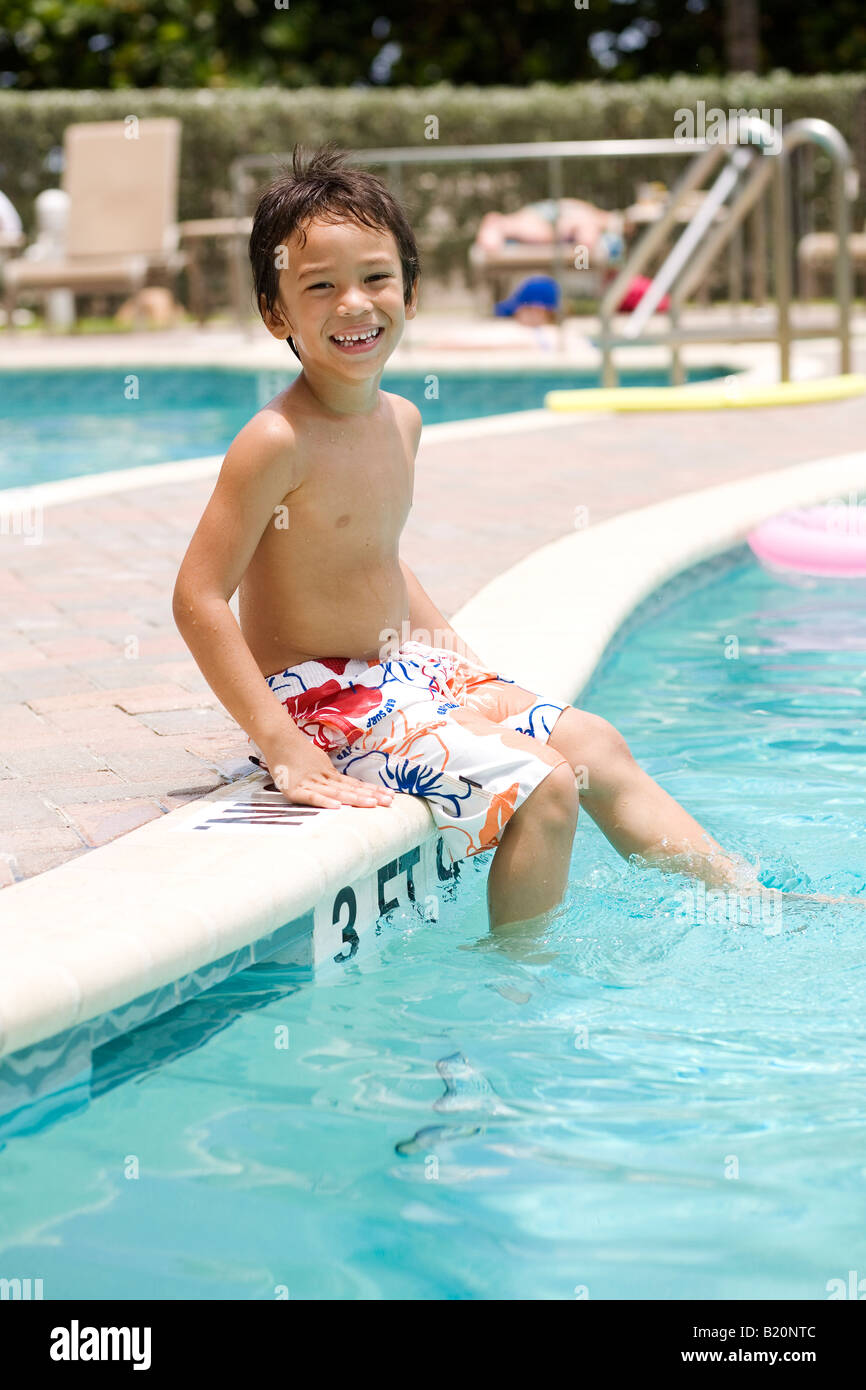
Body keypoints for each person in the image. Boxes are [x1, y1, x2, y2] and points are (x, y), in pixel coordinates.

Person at [171, 144, 776, 938]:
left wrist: (459, 665)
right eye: (320, 286)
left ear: (412, 292)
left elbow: (377, 556)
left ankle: (746, 900)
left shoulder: (401, 422)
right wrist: (281, 747)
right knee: (545, 786)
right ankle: (515, 997)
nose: (354, 304)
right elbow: (197, 597)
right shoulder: (276, 439)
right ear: (276, 313)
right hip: (320, 697)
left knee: (593, 741)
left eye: (377, 278)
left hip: (399, 669)